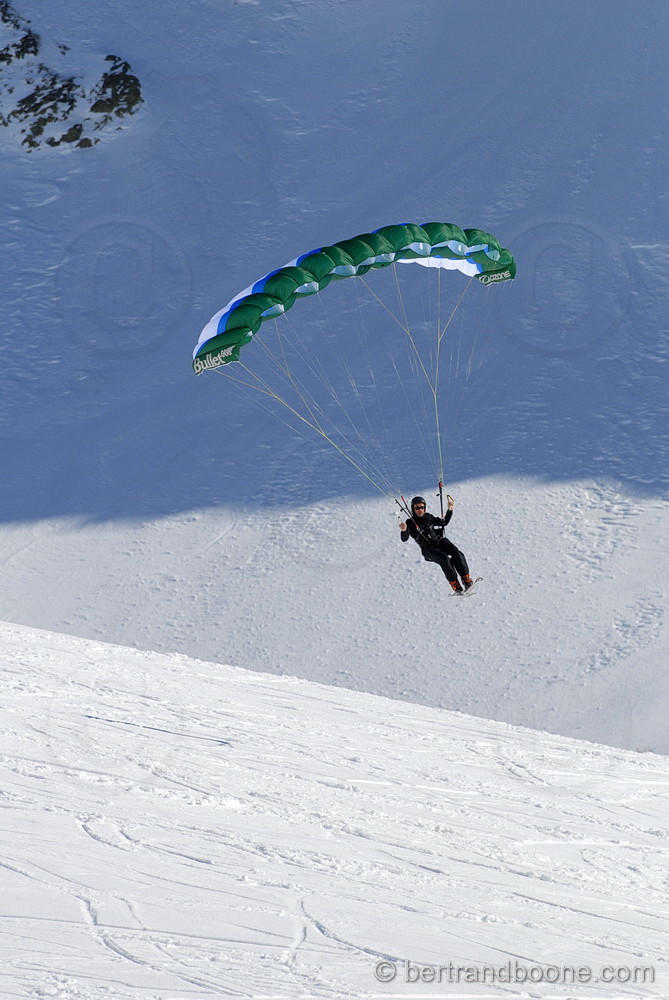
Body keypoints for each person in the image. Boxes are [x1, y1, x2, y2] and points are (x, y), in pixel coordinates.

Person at [399, 495, 474, 594]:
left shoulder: (428, 517)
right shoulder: (410, 522)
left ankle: (466, 580)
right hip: (428, 549)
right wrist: (404, 530)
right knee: (445, 559)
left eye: (422, 507)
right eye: (417, 508)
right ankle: (456, 585)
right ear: (413, 509)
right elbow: (404, 539)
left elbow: (444, 522)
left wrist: (450, 509)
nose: (420, 510)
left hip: (439, 542)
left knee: (457, 553)